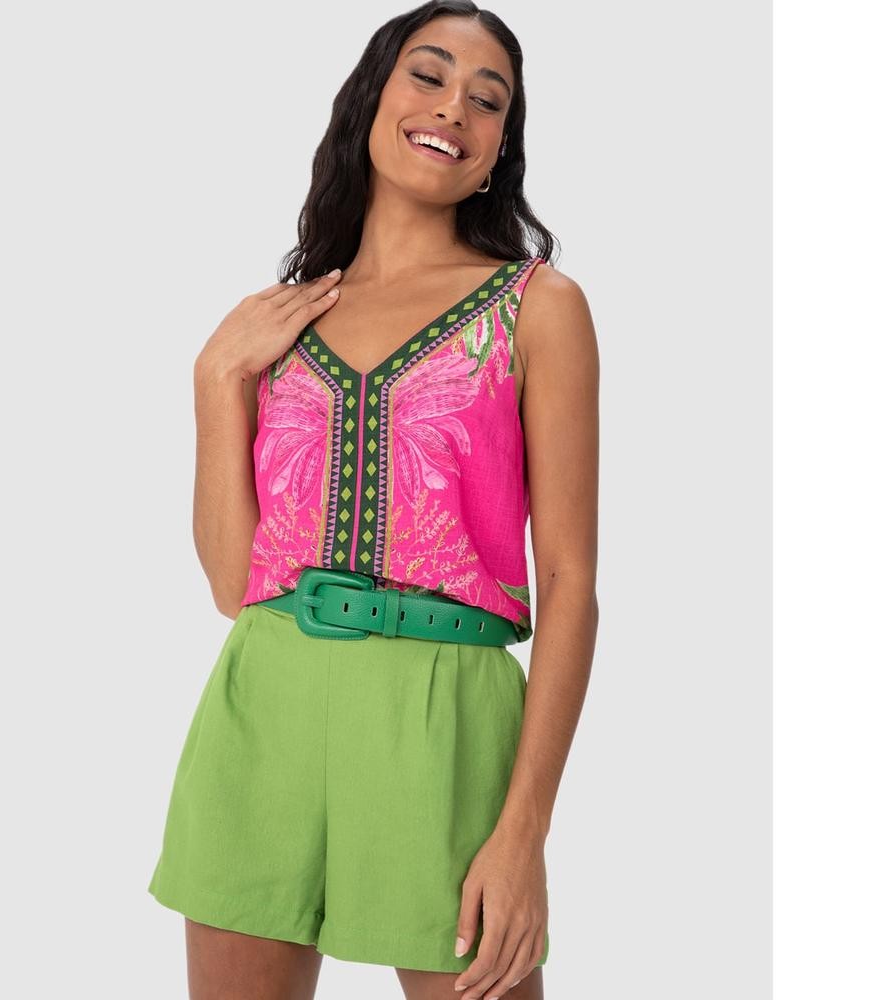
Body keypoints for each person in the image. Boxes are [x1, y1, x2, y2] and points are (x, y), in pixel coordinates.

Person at [147, 3, 599, 998]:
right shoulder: (281, 318)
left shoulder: (538, 306)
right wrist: (215, 381)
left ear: (499, 151)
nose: (454, 108)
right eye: (428, 76)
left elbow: (570, 580)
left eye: (488, 100)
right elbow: (232, 583)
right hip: (264, 701)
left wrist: (524, 831)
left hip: (446, 716)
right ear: (371, 100)